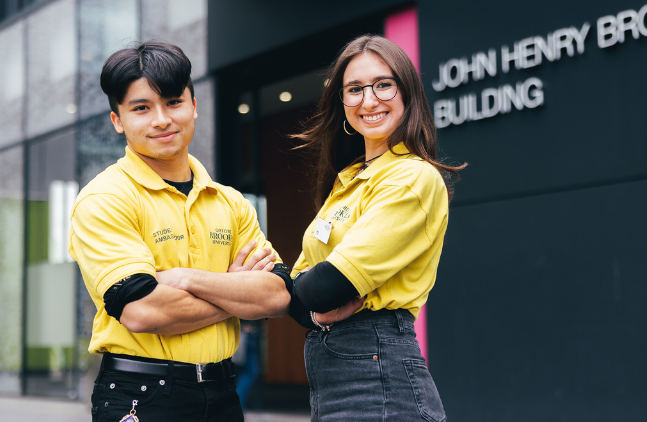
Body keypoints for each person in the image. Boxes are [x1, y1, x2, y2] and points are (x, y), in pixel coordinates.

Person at [69, 40, 293, 422]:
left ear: (194, 106)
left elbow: (276, 295)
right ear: (117, 120)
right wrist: (233, 289)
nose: (161, 119)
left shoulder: (231, 202)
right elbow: (141, 311)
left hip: (222, 391)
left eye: (173, 102)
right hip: (141, 395)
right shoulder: (104, 199)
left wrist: (186, 278)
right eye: (141, 108)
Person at [287, 35, 466, 421]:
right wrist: (311, 305)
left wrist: (308, 295)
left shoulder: (413, 177)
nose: (368, 101)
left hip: (379, 377)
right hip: (335, 376)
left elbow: (324, 285)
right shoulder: (350, 178)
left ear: (408, 92)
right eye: (354, 90)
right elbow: (303, 293)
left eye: (383, 84)